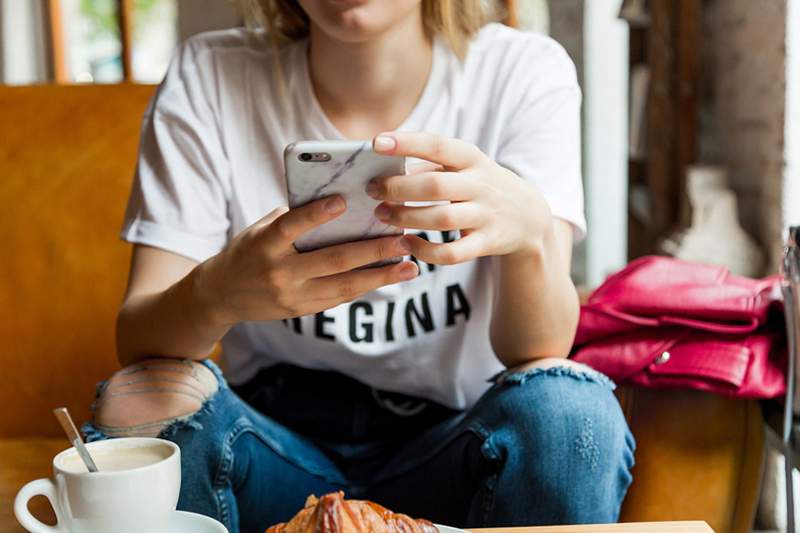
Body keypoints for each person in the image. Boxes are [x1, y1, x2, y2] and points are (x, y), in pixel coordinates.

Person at [83, 1, 635, 532]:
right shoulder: (212, 75)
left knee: (570, 412)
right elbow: (139, 343)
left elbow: (538, 350)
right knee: (142, 396)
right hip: (273, 445)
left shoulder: (519, 73)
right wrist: (217, 294)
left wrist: (532, 234)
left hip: (452, 439)